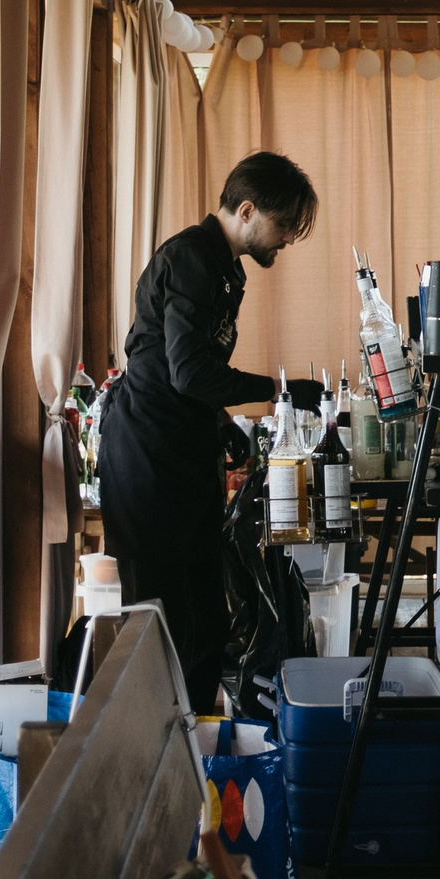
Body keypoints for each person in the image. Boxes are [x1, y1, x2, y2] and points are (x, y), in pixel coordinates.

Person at [100, 152, 318, 709]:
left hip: (180, 445)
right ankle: (164, 758)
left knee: (204, 619)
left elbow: (189, 363)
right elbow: (189, 371)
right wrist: (278, 389)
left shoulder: (224, 268)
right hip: (149, 456)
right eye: (284, 225)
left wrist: (221, 418)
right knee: (164, 621)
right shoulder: (192, 259)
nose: (287, 240)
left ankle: (201, 751)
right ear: (247, 211)